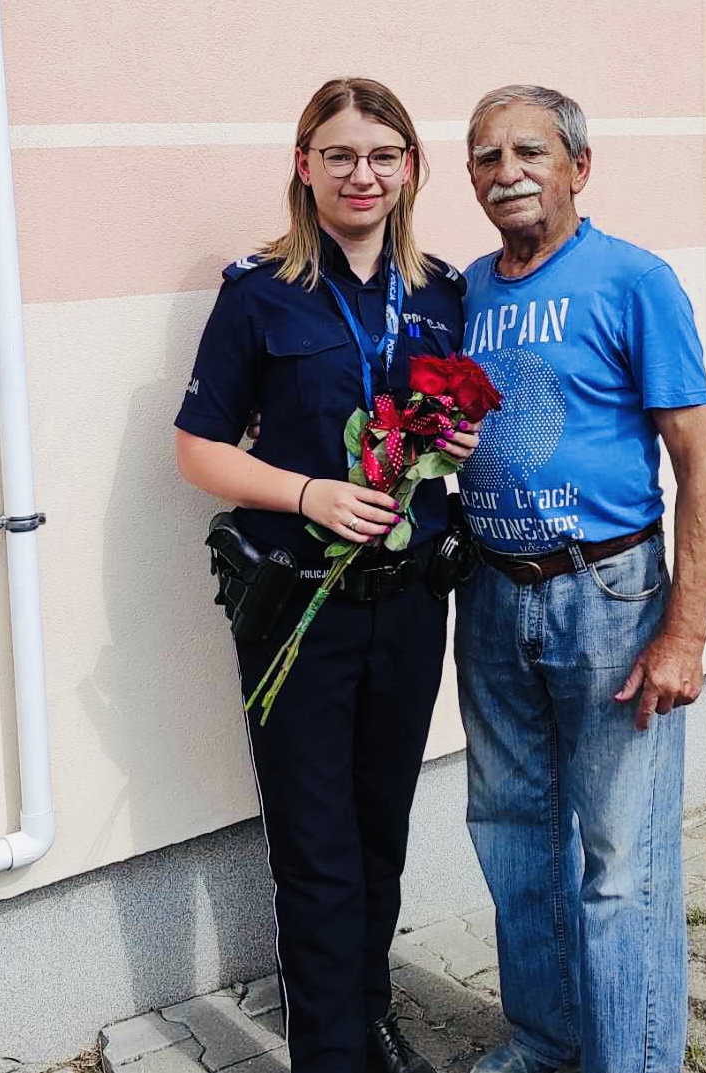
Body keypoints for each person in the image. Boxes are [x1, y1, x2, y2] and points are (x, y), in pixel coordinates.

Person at [174, 78, 477, 1073]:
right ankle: (329, 1050)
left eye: (384, 154)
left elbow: (440, 437)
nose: (363, 173)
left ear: (411, 169)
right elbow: (197, 449)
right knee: (314, 844)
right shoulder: (258, 291)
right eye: (340, 154)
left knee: (379, 826)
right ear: (304, 164)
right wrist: (308, 494)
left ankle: (369, 1008)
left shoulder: (441, 290)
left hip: (408, 604)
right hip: (297, 606)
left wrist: (460, 440)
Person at [453, 85, 706, 1073]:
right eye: (483, 156)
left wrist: (684, 631)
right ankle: (545, 1037)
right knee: (513, 836)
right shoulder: (471, 290)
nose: (504, 171)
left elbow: (702, 457)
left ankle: (636, 1060)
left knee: (621, 865)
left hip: (607, 599)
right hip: (488, 595)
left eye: (527, 150)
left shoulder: (633, 280)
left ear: (578, 164)